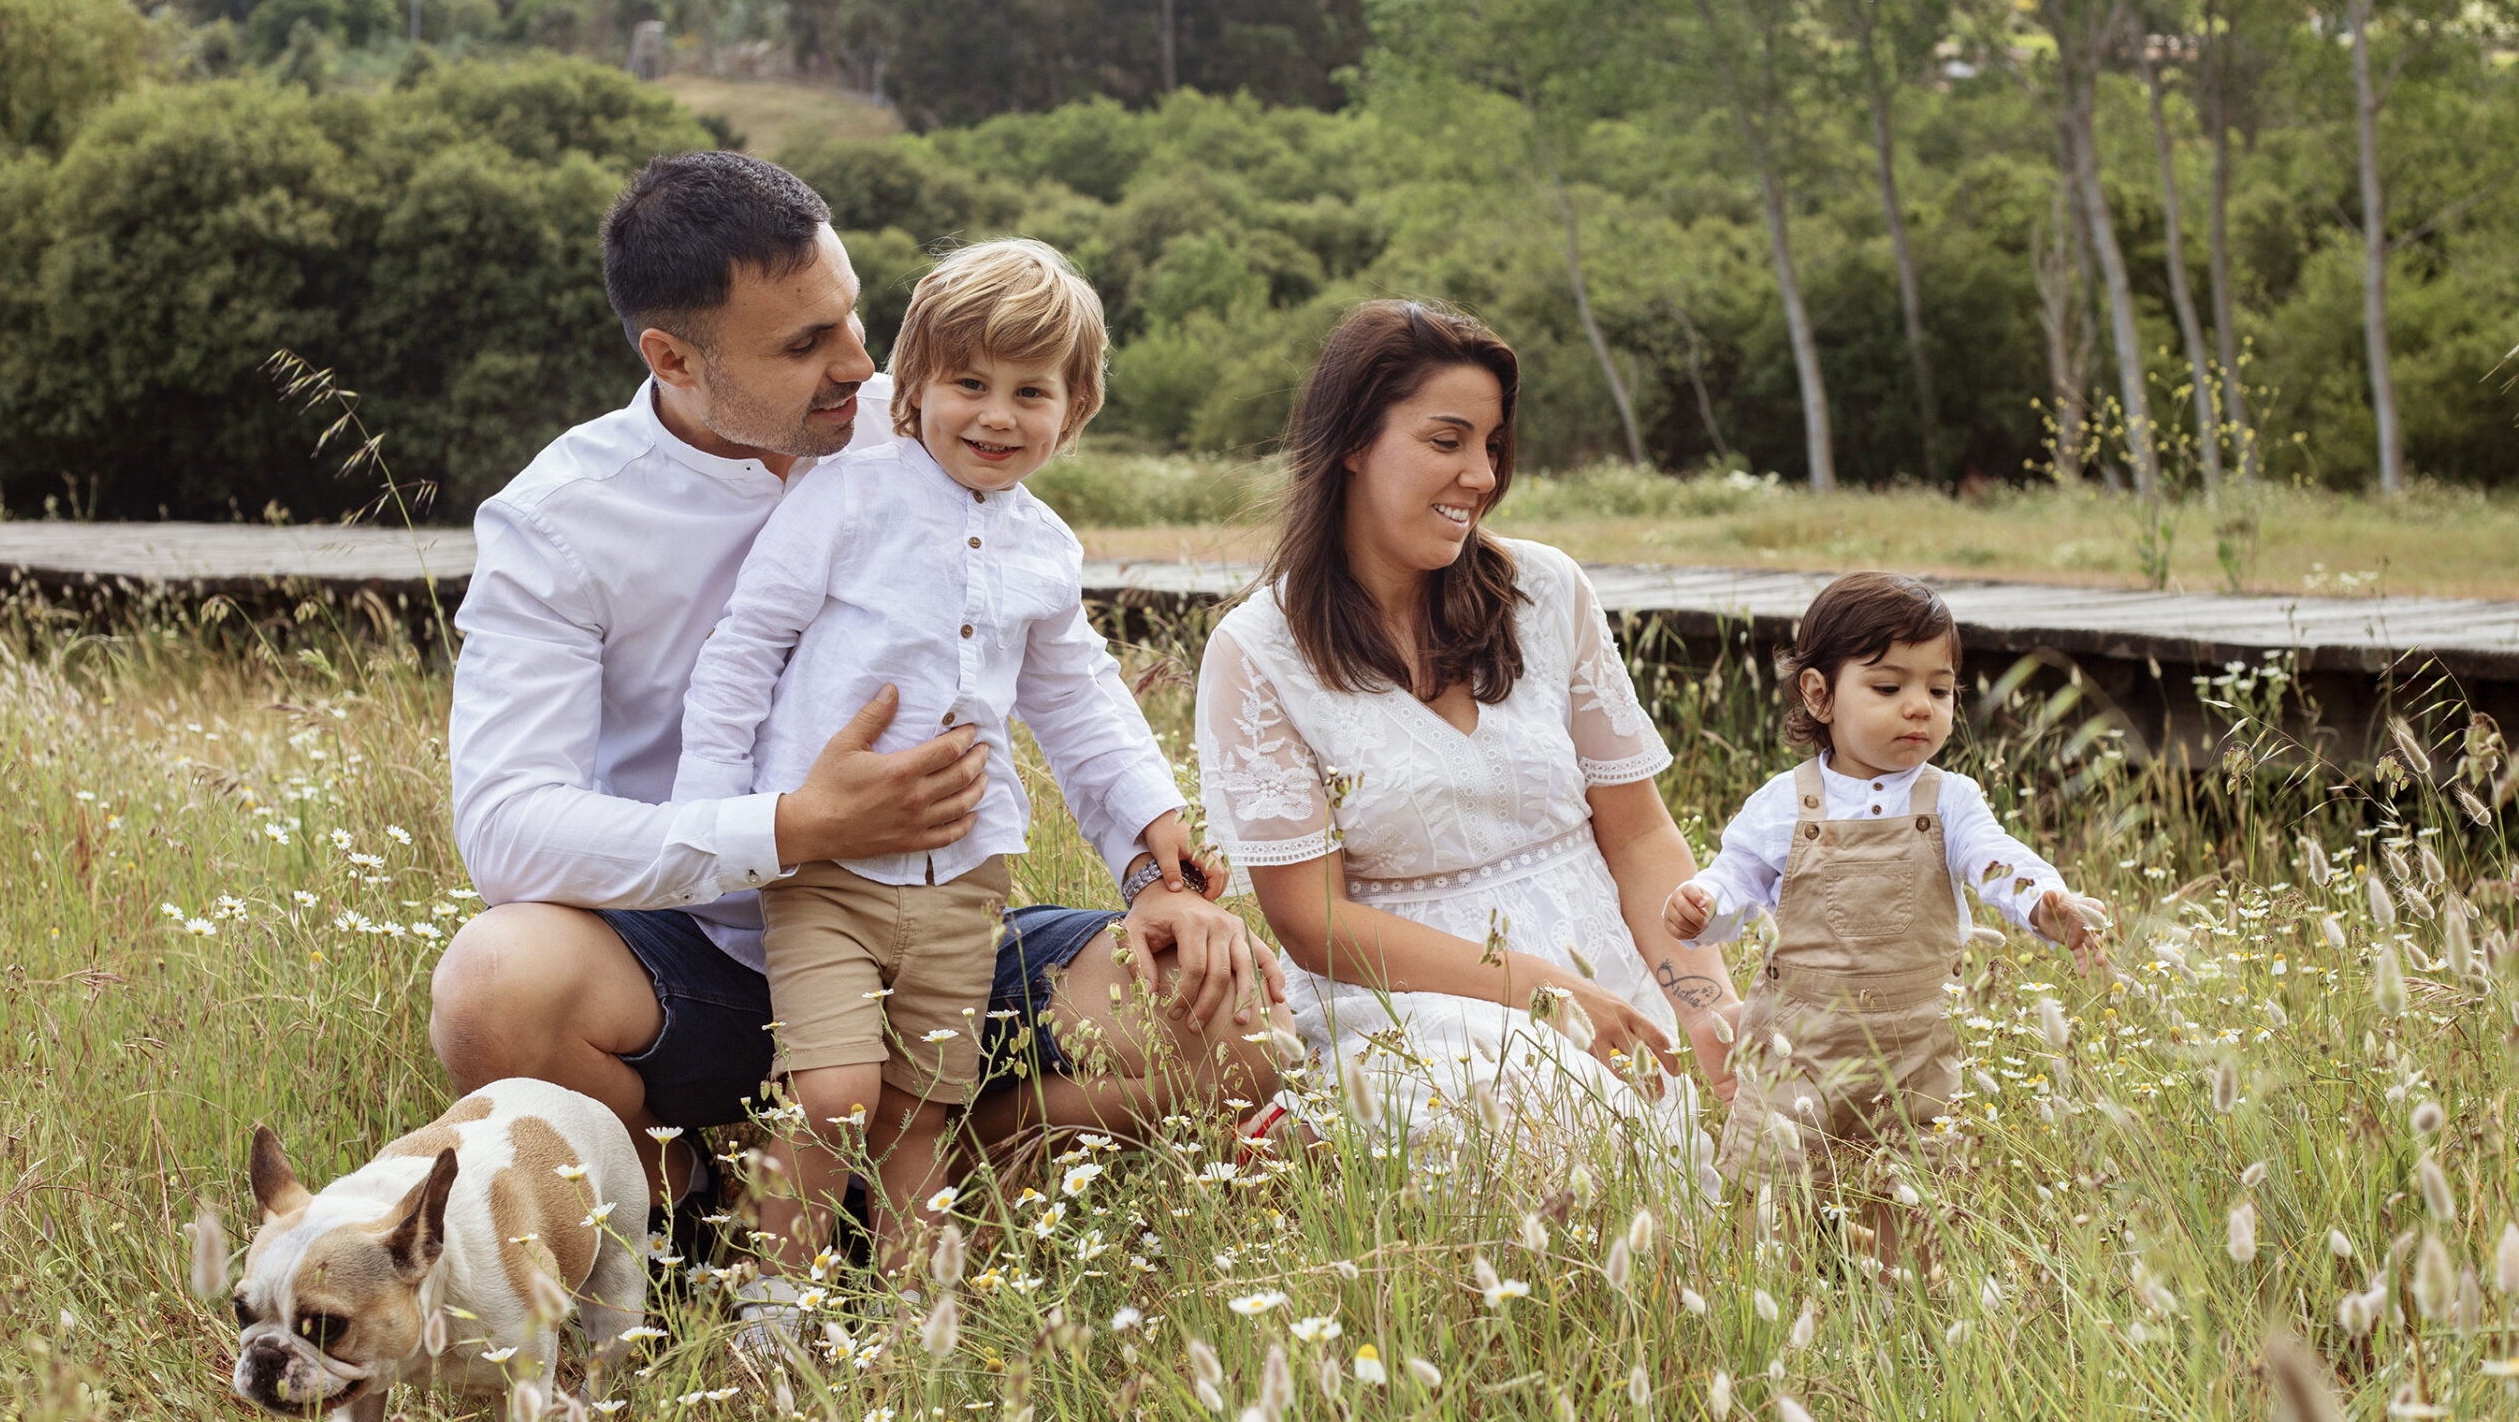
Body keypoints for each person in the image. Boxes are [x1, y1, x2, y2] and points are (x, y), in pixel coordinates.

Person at [430, 153, 1286, 1270]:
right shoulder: (558, 523)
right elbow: (505, 829)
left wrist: (1150, 869)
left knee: (1240, 1023)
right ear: (674, 357)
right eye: (802, 345)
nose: (858, 365)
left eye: (852, 319)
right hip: (694, 956)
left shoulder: (937, 422)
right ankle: (676, 1216)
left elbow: (1061, 670)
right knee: (495, 985)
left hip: (936, 920)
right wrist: (793, 828)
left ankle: (936, 1150)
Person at [672, 238, 1219, 1300]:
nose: (996, 416)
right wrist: (717, 824)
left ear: (1078, 406)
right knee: (831, 1093)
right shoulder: (845, 496)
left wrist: (1151, 818)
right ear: (911, 383)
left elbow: (1079, 701)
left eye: (1031, 391)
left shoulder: (1043, 548)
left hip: (966, 883)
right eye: (967, 382)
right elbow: (741, 653)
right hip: (828, 873)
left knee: (920, 1111)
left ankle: (914, 1339)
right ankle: (769, 1317)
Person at [1194, 299, 1735, 1187]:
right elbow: (1313, 922)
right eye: (1448, 441)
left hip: (1609, 982)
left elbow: (1639, 837)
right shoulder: (1259, 652)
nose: (1481, 475)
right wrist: (1541, 993)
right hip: (1411, 1009)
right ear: (1353, 442)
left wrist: (1708, 1006)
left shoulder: (1547, 591)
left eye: (1491, 444)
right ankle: (1302, 1144)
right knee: (1548, 1135)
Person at [1662, 570, 2106, 1211]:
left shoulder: (1950, 798)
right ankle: (1780, 1300)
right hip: (1800, 1053)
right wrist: (1701, 905)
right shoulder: (1782, 804)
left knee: (1909, 1203)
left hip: (1915, 1058)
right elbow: (1737, 880)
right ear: (1820, 696)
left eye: (1940, 689)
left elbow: (1992, 857)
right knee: (1773, 1206)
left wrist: (2043, 900)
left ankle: (1896, 1298)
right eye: (1889, 686)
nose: (1920, 705)